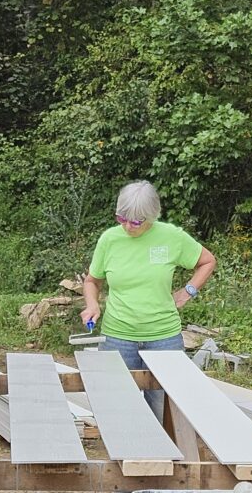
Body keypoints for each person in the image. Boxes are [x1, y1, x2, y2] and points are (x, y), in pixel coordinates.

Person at [80, 180, 216, 420]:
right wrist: (92, 304)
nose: (128, 227)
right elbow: (93, 280)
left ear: (152, 216)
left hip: (164, 339)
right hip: (118, 337)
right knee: (117, 411)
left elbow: (207, 261)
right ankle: (125, 457)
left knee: (165, 414)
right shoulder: (109, 240)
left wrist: (187, 292)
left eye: (136, 222)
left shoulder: (171, 236)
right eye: (122, 219)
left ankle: (164, 457)